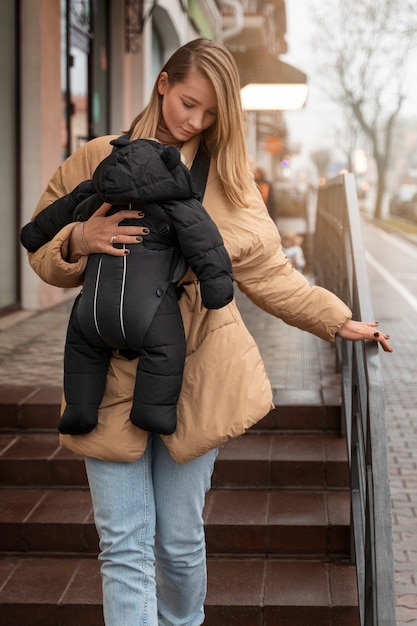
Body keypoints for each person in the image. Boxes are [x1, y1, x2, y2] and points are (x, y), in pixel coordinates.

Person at [27, 38, 392, 626]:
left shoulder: (228, 177)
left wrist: (335, 316)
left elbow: (269, 273)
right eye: (188, 102)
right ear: (163, 82)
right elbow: (41, 252)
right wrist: (79, 241)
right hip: (106, 366)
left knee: (177, 541)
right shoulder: (96, 157)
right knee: (123, 545)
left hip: (197, 368)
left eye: (211, 113)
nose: (193, 121)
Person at [20, 136, 234, 436]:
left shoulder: (94, 198)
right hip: (149, 312)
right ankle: (152, 412)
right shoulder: (178, 205)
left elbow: (51, 218)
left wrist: (33, 234)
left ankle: (79, 410)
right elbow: (206, 244)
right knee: (166, 351)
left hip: (92, 312)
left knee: (81, 351)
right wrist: (217, 289)